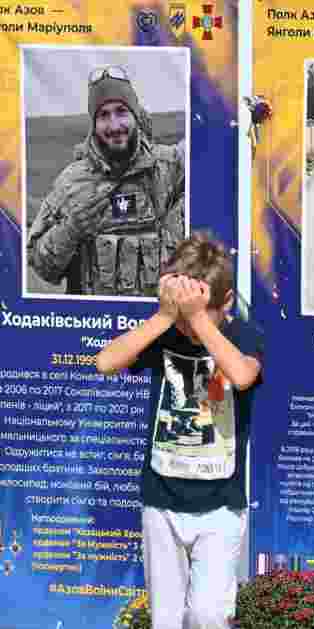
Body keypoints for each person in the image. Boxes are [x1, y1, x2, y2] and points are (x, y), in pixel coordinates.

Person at [96, 232, 263, 629]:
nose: (189, 330)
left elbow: (241, 375)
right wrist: (166, 317)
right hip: (161, 499)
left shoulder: (244, 336)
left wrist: (201, 319)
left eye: (199, 316)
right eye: (185, 320)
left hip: (221, 503)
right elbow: (105, 363)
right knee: (167, 619)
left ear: (225, 303)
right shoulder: (166, 333)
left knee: (207, 615)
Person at [27, 64, 186, 297]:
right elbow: (42, 267)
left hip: (158, 322)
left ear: (136, 114)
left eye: (121, 111)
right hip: (96, 324)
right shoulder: (72, 183)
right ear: (93, 124)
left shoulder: (169, 168)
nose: (114, 126)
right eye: (103, 115)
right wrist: (71, 230)